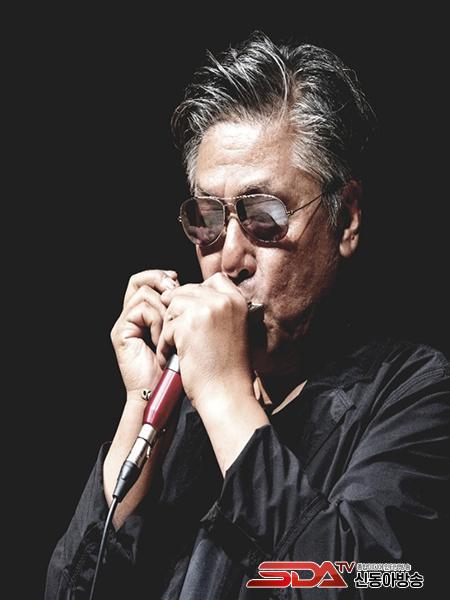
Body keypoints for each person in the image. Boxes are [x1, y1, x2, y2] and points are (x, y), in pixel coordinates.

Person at [46, 32, 450, 599]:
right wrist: (144, 405)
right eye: (209, 218)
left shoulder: (416, 394)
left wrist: (223, 397)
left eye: (264, 215)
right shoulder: (180, 407)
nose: (229, 256)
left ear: (347, 219)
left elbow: (358, 583)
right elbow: (71, 591)